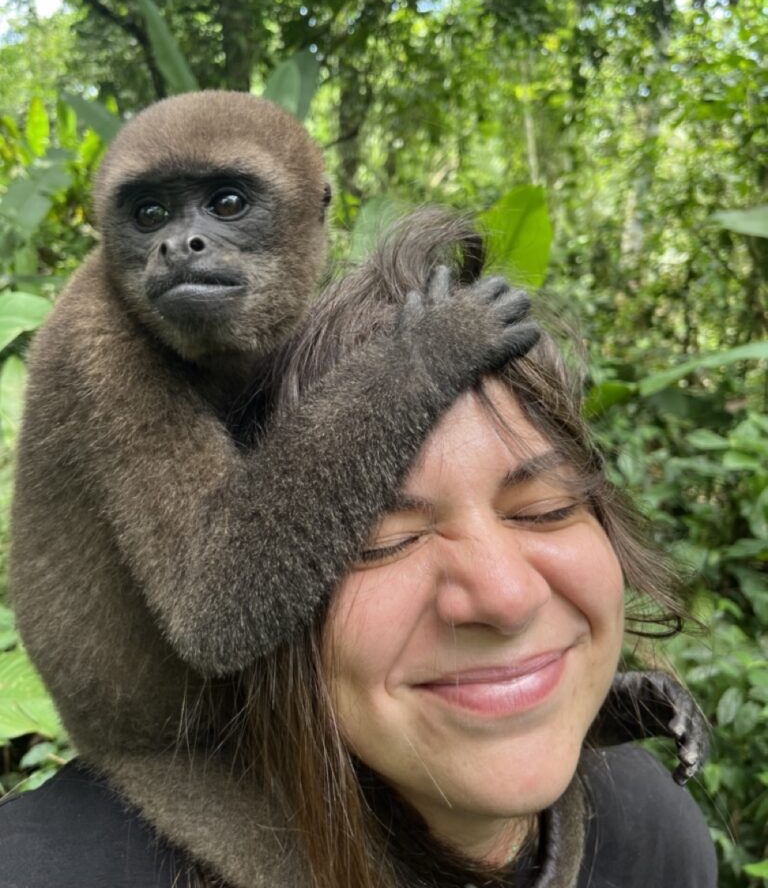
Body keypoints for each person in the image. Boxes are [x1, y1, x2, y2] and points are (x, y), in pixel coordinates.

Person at [0, 213, 717, 888]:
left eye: (547, 508)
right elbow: (217, 615)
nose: (505, 596)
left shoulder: (656, 837)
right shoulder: (51, 865)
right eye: (385, 538)